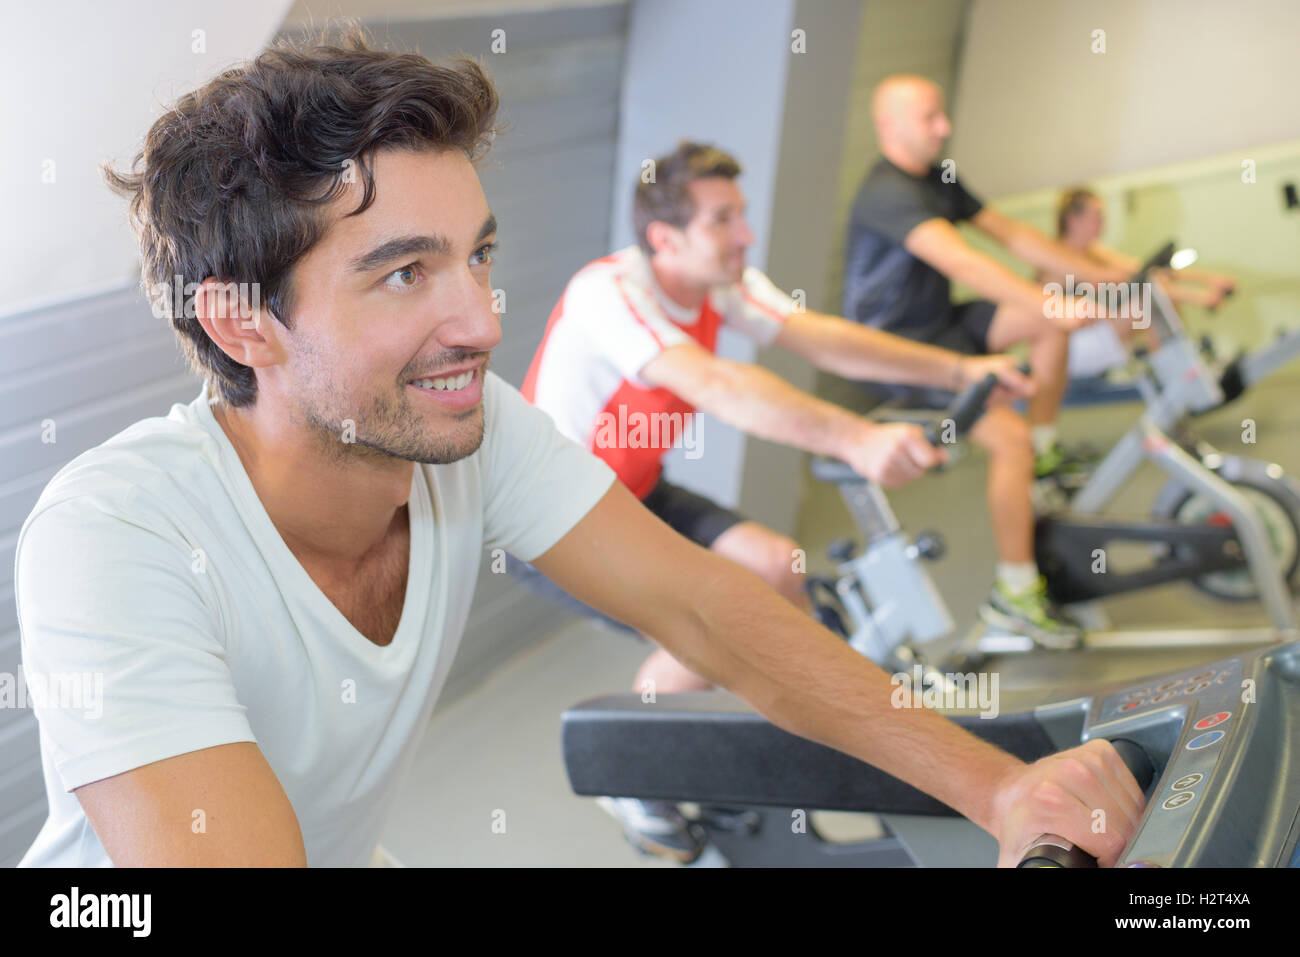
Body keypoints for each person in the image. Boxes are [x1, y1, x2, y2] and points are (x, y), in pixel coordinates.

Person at [14, 31, 1144, 869]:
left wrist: (1002, 791)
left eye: (477, 258)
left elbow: (707, 610)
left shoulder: (472, 428)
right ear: (239, 322)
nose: (484, 320)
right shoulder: (114, 534)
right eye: (405, 271)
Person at [524, 140, 1081, 674]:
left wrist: (960, 370)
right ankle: (643, 762)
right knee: (702, 633)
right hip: (557, 514)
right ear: (665, 239)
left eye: (741, 214)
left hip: (636, 490)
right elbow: (718, 385)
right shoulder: (608, 293)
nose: (746, 235)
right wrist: (856, 438)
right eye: (722, 220)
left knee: (777, 566)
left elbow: (828, 339)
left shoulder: (720, 282)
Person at [1049, 187, 1237, 378]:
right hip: (1071, 348)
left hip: (1096, 331)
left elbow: (1141, 270)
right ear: (1073, 220)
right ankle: (1175, 374)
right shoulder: (1058, 257)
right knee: (1146, 301)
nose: (1102, 223)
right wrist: (1200, 297)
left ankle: (1182, 368)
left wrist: (1210, 279)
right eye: (1096, 217)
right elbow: (1121, 280)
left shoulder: (1092, 250)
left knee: (1150, 294)